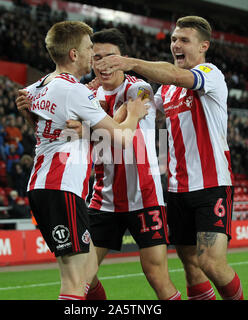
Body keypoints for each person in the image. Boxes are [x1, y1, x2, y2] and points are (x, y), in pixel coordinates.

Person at [96, 16, 243, 300]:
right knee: (191, 267)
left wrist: (131, 63)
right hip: (176, 191)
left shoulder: (210, 74)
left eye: (184, 40)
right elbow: (139, 108)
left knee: (211, 263)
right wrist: (100, 88)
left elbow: (175, 75)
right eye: (174, 39)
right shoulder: (165, 92)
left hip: (211, 186)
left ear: (203, 46)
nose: (176, 44)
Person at [15, 21, 149, 300]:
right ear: (74, 54)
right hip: (62, 188)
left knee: (85, 273)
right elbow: (122, 137)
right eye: (90, 49)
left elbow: (49, 131)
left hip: (40, 187)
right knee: (75, 282)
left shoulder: (36, 88)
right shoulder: (74, 90)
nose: (93, 55)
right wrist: (134, 113)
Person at [78, 28, 180, 300]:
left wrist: (87, 122)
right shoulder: (86, 95)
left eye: (110, 57)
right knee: (81, 278)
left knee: (157, 276)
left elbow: (125, 132)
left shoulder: (141, 89)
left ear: (122, 58)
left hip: (144, 196)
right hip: (103, 199)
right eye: (96, 57)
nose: (103, 64)